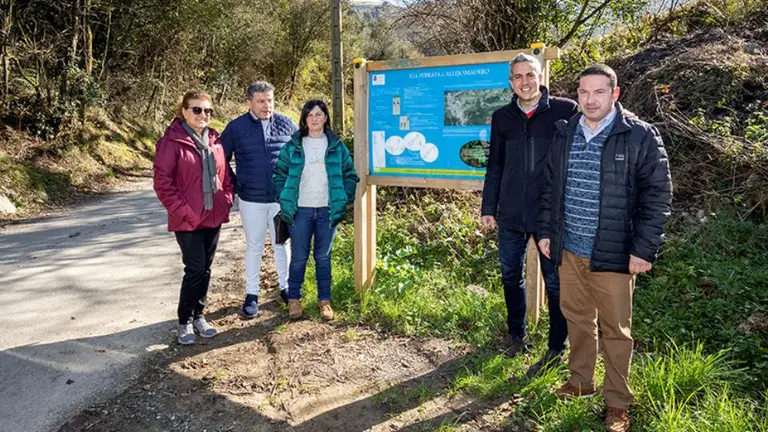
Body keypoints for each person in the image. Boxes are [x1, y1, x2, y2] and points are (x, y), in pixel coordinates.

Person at [537, 64, 672, 432]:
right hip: (569, 249)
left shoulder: (640, 136)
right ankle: (581, 381)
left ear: (615, 94)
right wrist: (549, 232)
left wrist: (643, 249)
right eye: (583, 92)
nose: (590, 99)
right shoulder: (564, 133)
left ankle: (617, 403)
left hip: (614, 253)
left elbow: (657, 196)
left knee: (616, 330)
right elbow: (551, 188)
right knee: (577, 319)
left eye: (598, 92)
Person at [480, 53, 578, 375]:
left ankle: (556, 347)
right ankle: (516, 334)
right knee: (510, 275)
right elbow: (494, 165)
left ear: (540, 77)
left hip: (548, 215)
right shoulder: (501, 118)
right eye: (518, 77)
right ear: (511, 82)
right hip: (509, 213)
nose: (524, 82)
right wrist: (488, 208)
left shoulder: (565, 111)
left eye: (529, 75)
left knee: (555, 283)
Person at [153, 90, 235, 345]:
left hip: (213, 215)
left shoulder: (215, 140)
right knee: (195, 269)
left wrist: (227, 200)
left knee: (206, 269)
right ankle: (184, 321)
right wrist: (184, 211)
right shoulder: (171, 142)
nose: (203, 115)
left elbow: (226, 177)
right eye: (197, 109)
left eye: (207, 110)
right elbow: (163, 184)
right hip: (188, 219)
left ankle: (199, 315)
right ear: (184, 111)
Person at [272, 100, 359, 321]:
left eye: (319, 114)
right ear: (304, 119)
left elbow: (350, 175)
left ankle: (325, 301)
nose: (314, 118)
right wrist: (284, 198)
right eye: (310, 115)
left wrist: (343, 197)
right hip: (300, 210)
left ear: (326, 118)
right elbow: (278, 175)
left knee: (323, 256)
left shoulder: (336, 146)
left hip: (327, 211)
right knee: (299, 256)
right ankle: (294, 299)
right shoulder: (293, 146)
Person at [220, 81, 298, 319]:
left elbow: (301, 156)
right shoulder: (235, 128)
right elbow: (220, 160)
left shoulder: (287, 124)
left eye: (270, 100)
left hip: (279, 200)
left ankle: (287, 289)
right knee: (254, 247)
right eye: (261, 101)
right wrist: (236, 184)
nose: (267, 106)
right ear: (250, 102)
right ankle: (252, 294)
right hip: (250, 200)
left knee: (281, 244)